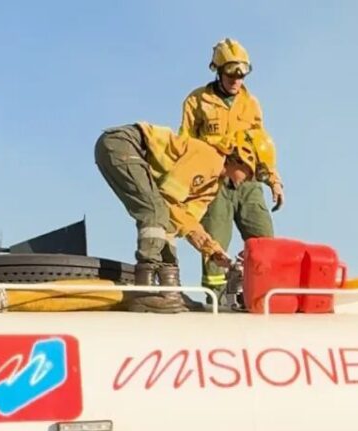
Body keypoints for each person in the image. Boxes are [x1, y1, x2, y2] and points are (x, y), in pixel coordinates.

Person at [94, 123, 266, 313]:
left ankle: (171, 289)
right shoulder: (207, 157)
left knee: (167, 222)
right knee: (154, 211)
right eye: (253, 172)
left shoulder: (211, 186)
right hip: (123, 143)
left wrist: (211, 249)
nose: (251, 179)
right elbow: (169, 199)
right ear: (240, 158)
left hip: (130, 150)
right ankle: (146, 290)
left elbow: (185, 220)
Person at [180, 38, 284, 297]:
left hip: (248, 183)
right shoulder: (197, 101)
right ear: (218, 70)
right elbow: (184, 145)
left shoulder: (251, 104)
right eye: (231, 73)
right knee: (214, 242)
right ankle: (216, 297)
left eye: (243, 73)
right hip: (215, 183)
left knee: (264, 240)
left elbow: (262, 145)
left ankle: (261, 291)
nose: (237, 80)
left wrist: (273, 180)